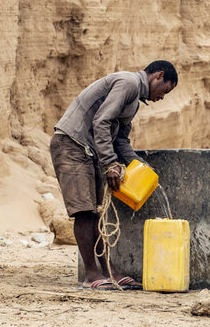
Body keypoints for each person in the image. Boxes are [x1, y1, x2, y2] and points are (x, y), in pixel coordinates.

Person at [49, 61, 178, 289]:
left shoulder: (134, 101)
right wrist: (109, 163)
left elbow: (119, 140)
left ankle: (109, 271)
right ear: (158, 76)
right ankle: (91, 275)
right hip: (71, 144)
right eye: (165, 90)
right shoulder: (127, 83)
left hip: (88, 150)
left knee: (99, 212)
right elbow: (102, 121)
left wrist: (139, 164)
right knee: (85, 211)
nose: (162, 97)